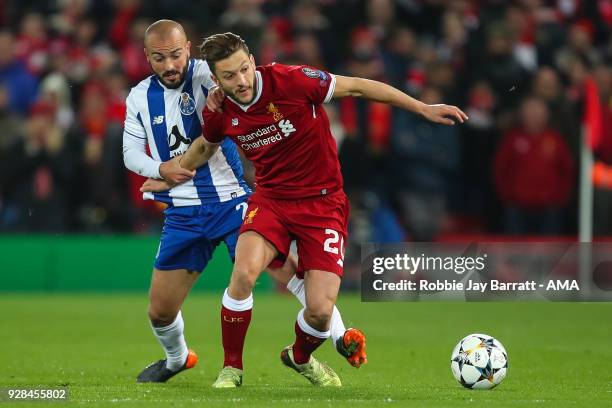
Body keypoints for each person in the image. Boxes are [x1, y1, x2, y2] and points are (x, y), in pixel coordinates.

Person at [142, 32, 465, 388]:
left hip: (323, 204)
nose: (242, 81)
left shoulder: (291, 80)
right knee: (244, 274)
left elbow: (358, 87)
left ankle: (299, 357)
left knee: (320, 312)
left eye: (245, 69)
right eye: (230, 76)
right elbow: (205, 147)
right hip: (271, 201)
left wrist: (421, 108)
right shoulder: (220, 110)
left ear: (252, 60)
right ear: (215, 80)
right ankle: (232, 368)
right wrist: (170, 174)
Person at [122, 21, 359, 384]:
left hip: (233, 200)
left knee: (283, 270)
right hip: (183, 211)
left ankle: (337, 334)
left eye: (175, 54)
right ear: (147, 58)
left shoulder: (214, 75)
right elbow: (129, 153)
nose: (169, 65)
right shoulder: (139, 97)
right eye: (159, 58)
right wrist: (161, 168)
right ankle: (177, 358)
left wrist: (223, 90)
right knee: (160, 312)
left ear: (189, 49)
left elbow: (249, 81)